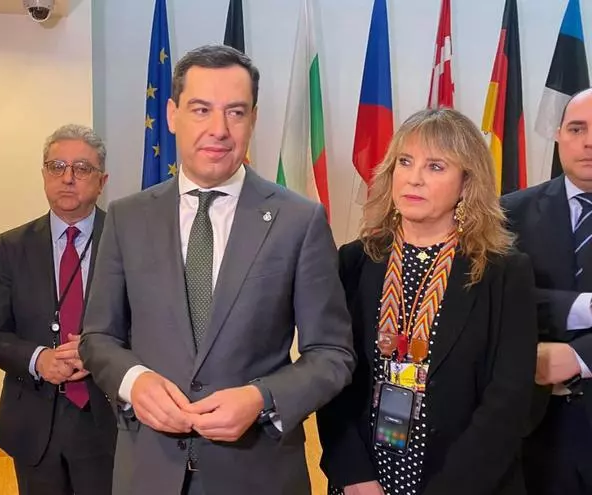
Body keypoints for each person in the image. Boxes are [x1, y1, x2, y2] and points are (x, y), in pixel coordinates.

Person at [80, 44, 355, 495]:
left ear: (253, 119)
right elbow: (97, 338)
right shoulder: (127, 218)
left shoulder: (299, 220)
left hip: (258, 473)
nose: (219, 129)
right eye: (201, 109)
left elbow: (331, 353)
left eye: (235, 112)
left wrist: (262, 398)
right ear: (172, 115)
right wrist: (134, 381)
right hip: (149, 470)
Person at [318, 108, 537, 495]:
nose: (414, 178)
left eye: (435, 166)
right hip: (365, 478)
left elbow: (508, 401)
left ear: (466, 183)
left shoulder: (503, 272)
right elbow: (330, 372)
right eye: (405, 162)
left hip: (464, 482)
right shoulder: (354, 260)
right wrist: (353, 475)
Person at [0, 124, 116, 495]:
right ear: (44, 175)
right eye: (57, 167)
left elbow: (153, 328)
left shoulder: (127, 240)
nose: (68, 178)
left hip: (107, 420)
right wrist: (38, 359)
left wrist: (101, 353)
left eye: (82, 168)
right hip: (33, 422)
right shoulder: (12, 246)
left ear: (102, 181)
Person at [502, 88, 592, 495]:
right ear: (558, 134)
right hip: (532, 435)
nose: (588, 142)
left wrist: (579, 356)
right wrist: (584, 307)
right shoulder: (507, 213)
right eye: (577, 129)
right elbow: (499, 305)